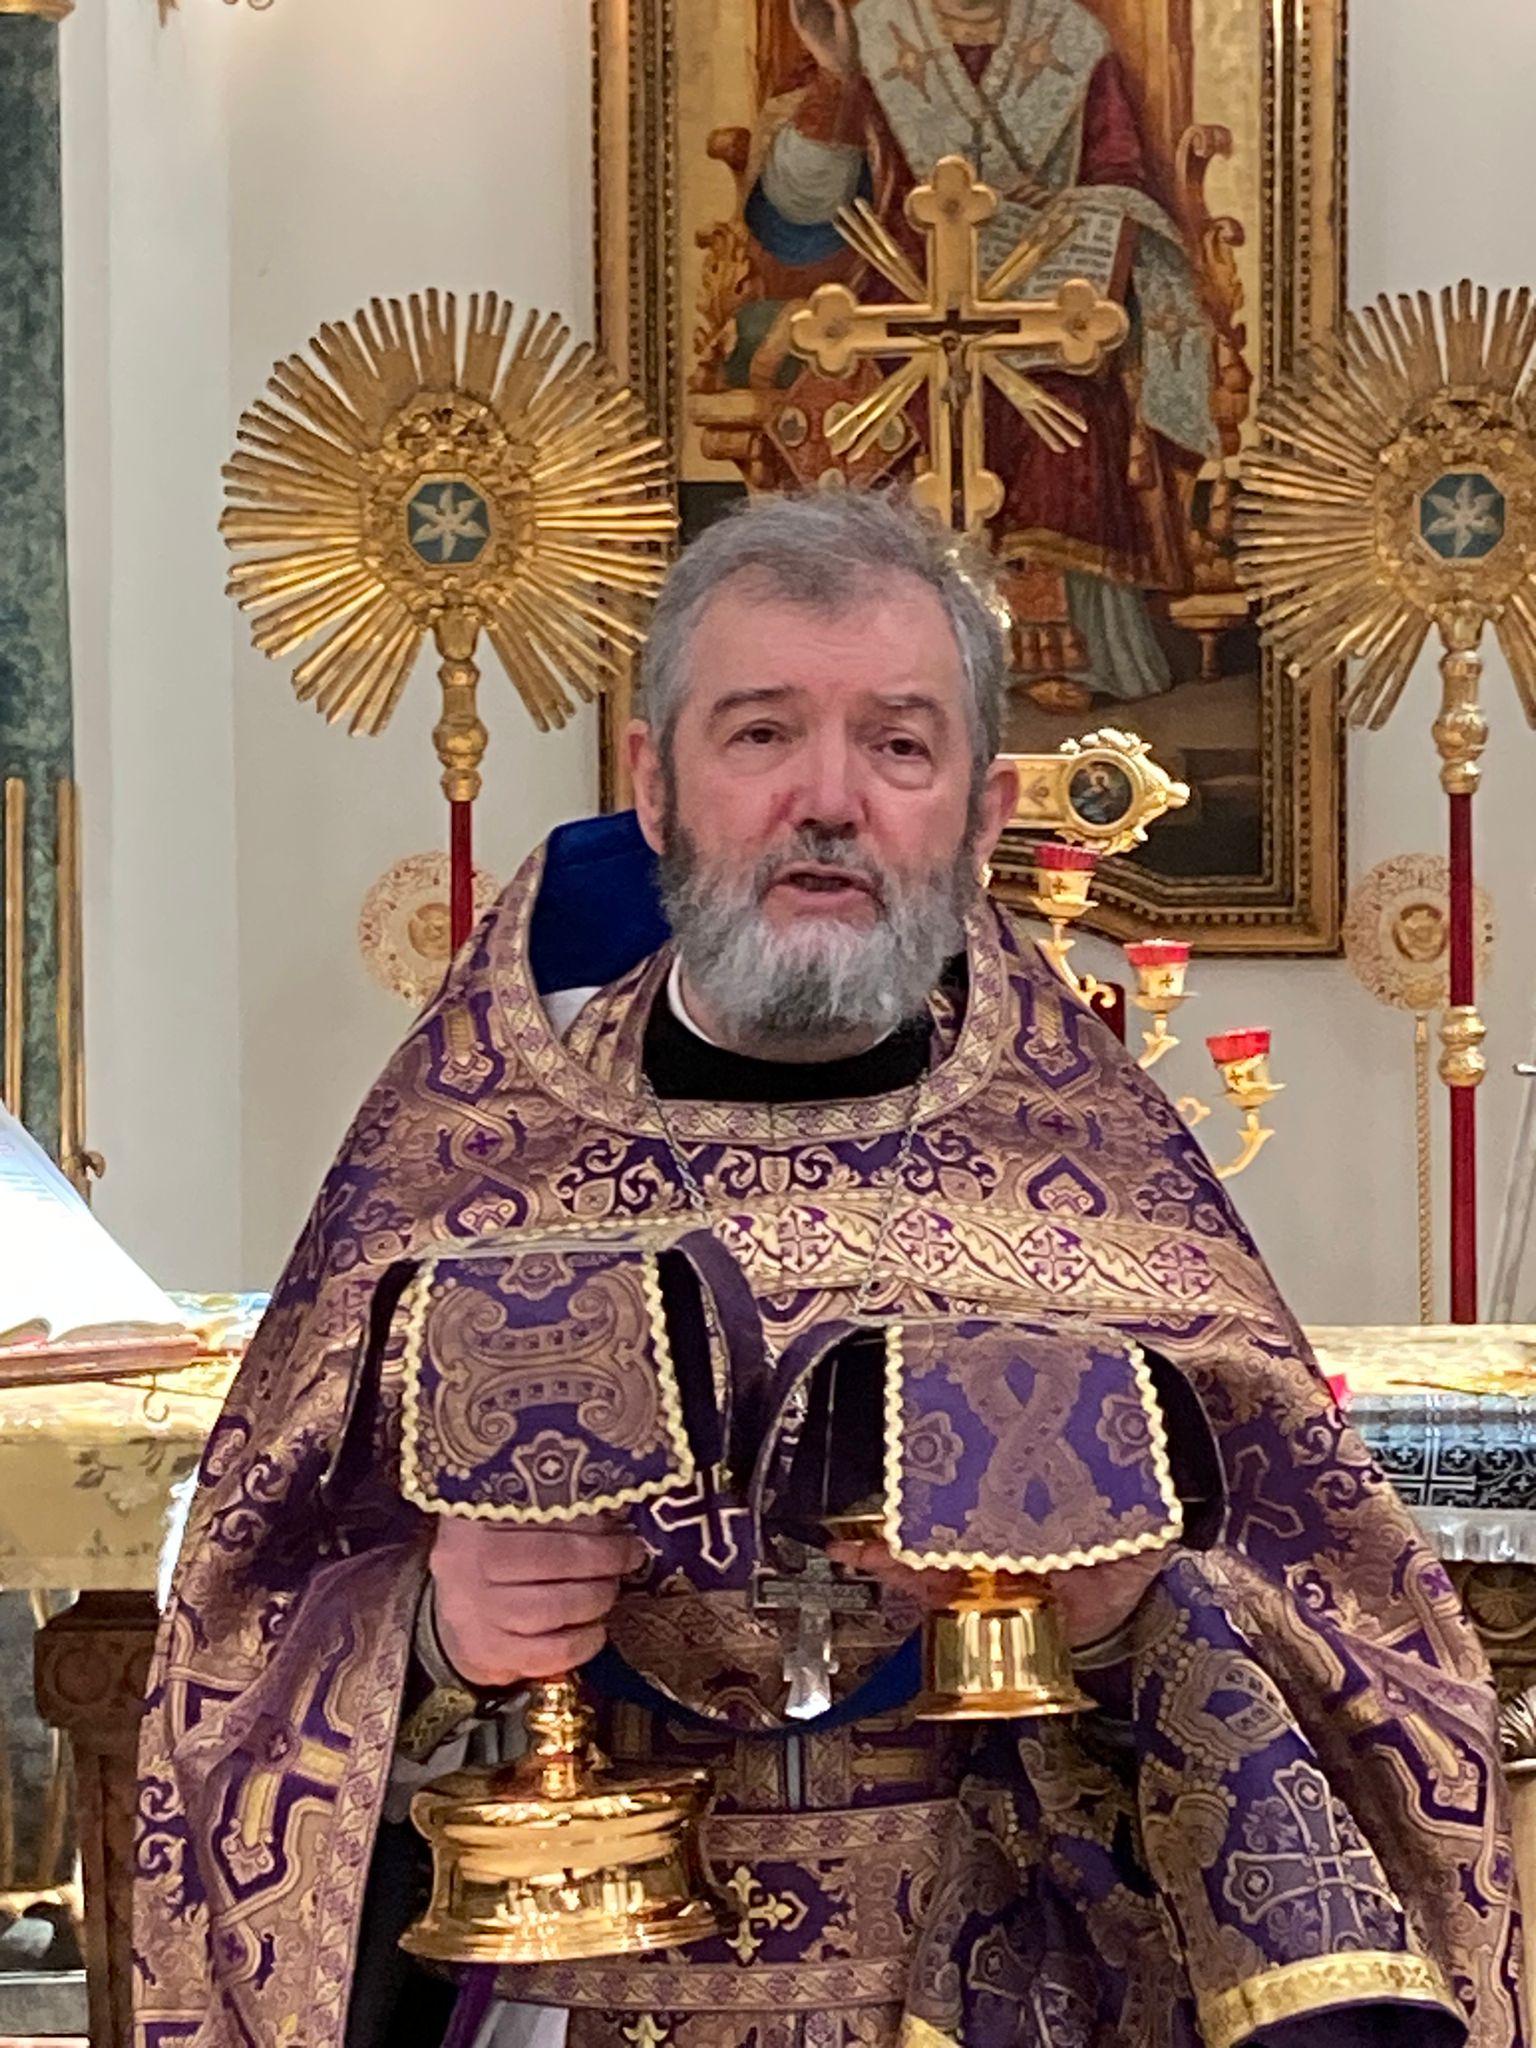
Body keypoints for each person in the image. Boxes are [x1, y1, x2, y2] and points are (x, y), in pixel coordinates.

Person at [136, 492, 1518, 2048]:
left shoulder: (1110, 1186)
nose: (829, 801)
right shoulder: (461, 1171)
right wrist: (434, 1633)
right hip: (578, 2002)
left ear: (984, 814)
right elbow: (236, 1638)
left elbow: (1381, 1669)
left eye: (900, 745)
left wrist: (1132, 1610)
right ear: (653, 784)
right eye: (761, 734)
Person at [720, 0, 1219, 709]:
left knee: (1068, 415)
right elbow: (799, 219)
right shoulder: (874, 33)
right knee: (872, 421)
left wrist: (1069, 214)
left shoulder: (1071, 40)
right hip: (899, 309)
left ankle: (1056, 652)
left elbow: (1121, 178)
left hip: (1042, 307)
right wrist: (835, 76)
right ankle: (881, 655)